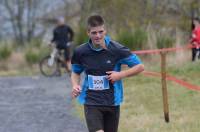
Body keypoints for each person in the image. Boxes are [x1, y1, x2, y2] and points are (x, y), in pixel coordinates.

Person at [71, 15, 144, 132]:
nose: (98, 36)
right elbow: (75, 71)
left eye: (100, 32)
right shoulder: (80, 51)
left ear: (105, 31)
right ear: (88, 33)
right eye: (94, 33)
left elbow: (140, 67)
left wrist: (120, 75)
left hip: (112, 101)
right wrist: (75, 85)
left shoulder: (117, 49)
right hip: (91, 101)